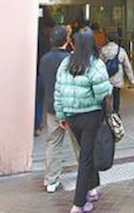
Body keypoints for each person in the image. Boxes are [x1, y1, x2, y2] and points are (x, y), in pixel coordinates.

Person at [54, 28, 113, 212]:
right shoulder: (95, 64)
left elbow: (58, 91)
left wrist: (62, 115)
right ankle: (78, 203)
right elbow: (102, 93)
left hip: (72, 117)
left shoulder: (65, 63)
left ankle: (93, 188)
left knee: (87, 152)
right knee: (86, 158)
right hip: (90, 117)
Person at [39, 25, 80, 193]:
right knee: (78, 143)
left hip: (52, 107)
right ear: (67, 40)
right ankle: (85, 177)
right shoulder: (71, 59)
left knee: (53, 143)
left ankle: (51, 180)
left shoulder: (45, 59)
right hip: (71, 108)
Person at [100, 32, 134, 113]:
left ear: (107, 39)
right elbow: (127, 66)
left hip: (106, 77)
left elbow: (99, 64)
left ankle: (107, 112)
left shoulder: (103, 49)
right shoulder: (121, 50)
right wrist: (132, 80)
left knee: (106, 96)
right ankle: (116, 113)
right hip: (118, 78)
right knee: (117, 96)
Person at [36, 17, 56, 136]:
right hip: (43, 75)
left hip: (36, 75)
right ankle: (39, 124)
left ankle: (37, 124)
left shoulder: (36, 38)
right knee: (42, 100)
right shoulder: (48, 42)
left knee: (38, 101)